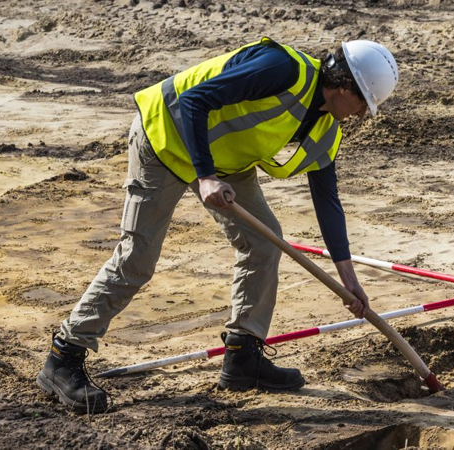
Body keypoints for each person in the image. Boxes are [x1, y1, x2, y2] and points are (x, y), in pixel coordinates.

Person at [36, 37, 399, 413]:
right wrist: (205, 176)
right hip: (166, 138)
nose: (361, 116)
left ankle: (243, 355)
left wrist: (348, 276)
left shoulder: (326, 129)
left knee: (264, 241)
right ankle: (64, 356)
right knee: (137, 258)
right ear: (343, 87)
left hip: (223, 160)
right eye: (363, 104)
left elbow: (327, 200)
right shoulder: (281, 69)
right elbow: (194, 99)